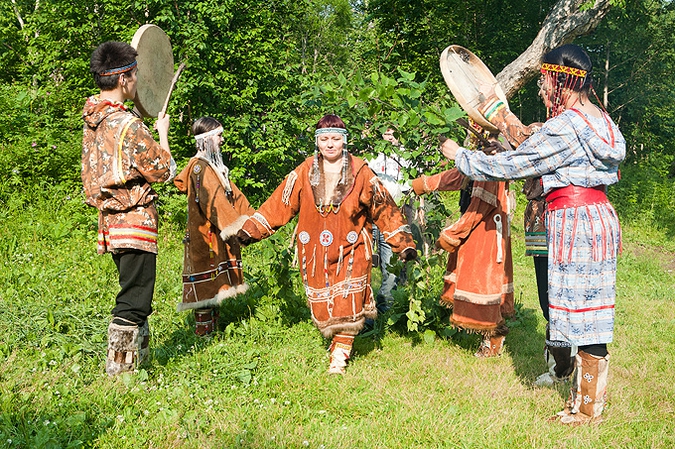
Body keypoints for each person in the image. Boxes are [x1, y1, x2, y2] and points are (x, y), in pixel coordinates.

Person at [440, 44, 625, 424]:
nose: (542, 90)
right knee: (587, 312)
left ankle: (588, 410)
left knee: (581, 316)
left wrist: (461, 154)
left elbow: (513, 164)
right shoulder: (603, 122)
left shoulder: (566, 125)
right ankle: (583, 402)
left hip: (574, 222)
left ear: (561, 81)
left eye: (545, 82)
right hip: (597, 217)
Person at [237, 114, 417, 374]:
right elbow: (280, 203)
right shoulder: (304, 170)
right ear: (317, 142)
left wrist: (403, 242)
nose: (330, 144)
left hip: (352, 248)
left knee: (349, 300)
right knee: (323, 303)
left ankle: (339, 357)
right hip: (315, 252)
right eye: (324, 139)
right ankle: (336, 343)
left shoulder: (361, 171)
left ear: (344, 141)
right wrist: (252, 230)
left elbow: (383, 207)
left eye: (335, 139)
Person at [82, 41, 176, 376]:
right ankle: (120, 376)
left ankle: (139, 364)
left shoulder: (94, 118)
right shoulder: (129, 125)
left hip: (110, 221)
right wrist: (162, 135)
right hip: (134, 219)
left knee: (136, 296)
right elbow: (163, 172)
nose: (137, 80)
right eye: (135, 74)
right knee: (134, 301)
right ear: (124, 80)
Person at [412, 128, 515, 357]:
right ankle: (488, 338)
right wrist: (424, 184)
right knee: (473, 279)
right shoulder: (478, 155)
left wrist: (452, 235)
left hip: (485, 231)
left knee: (483, 283)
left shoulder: (491, 159)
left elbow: (481, 206)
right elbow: (459, 176)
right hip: (475, 229)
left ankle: (494, 338)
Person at [174, 117, 255, 336]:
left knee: (216, 283)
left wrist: (253, 217)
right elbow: (214, 202)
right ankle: (203, 335)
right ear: (207, 139)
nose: (222, 140)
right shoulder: (200, 168)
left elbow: (233, 195)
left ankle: (213, 330)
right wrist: (236, 226)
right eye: (219, 135)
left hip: (215, 233)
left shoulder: (213, 167)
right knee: (206, 286)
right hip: (205, 234)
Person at [366, 128, 412, 312]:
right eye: (386, 133)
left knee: (391, 262)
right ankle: (363, 304)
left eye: (393, 133)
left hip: (394, 216)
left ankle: (385, 305)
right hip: (371, 215)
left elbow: (410, 189)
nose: (389, 137)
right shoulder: (372, 156)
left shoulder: (407, 157)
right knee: (364, 259)